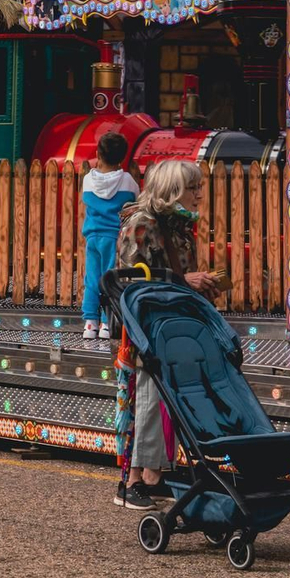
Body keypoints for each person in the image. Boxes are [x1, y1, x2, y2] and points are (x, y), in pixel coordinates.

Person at [112, 159, 224, 511]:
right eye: (193, 188)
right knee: (146, 401)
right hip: (147, 329)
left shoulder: (177, 226)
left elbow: (176, 275)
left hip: (174, 326)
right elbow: (130, 283)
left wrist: (199, 287)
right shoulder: (141, 225)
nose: (199, 195)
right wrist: (183, 282)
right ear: (174, 189)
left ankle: (153, 476)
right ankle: (131, 482)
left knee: (166, 401)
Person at [79, 131, 138, 340]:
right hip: (115, 238)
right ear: (122, 158)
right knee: (111, 280)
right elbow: (135, 202)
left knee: (92, 279)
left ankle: (89, 324)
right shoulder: (128, 181)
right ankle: (107, 322)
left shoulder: (88, 180)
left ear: (98, 154)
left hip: (93, 236)